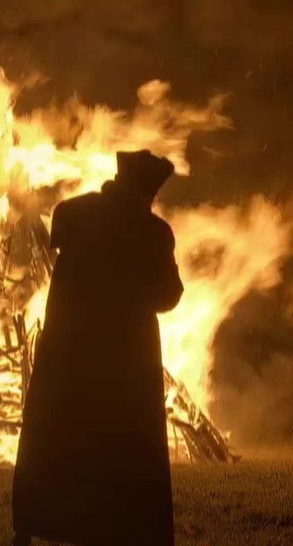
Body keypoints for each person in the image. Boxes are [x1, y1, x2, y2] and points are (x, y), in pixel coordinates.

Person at [12, 150, 184, 546]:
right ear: (147, 190)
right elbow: (167, 295)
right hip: (125, 359)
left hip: (68, 349)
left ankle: (33, 521)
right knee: (123, 443)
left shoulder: (72, 213)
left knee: (54, 432)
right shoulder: (153, 232)